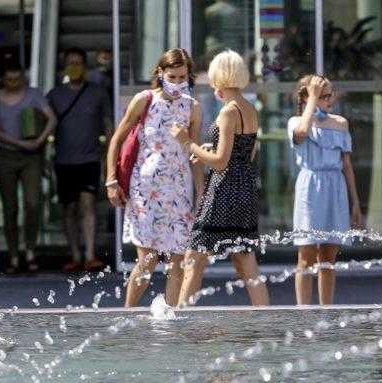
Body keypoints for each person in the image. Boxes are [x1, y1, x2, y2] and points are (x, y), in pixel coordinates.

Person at [170, 49, 269, 307]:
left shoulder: (228, 112)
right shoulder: (250, 109)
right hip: (245, 189)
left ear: (220, 80)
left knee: (195, 257)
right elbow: (242, 153)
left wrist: (188, 144)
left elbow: (222, 162)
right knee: (245, 259)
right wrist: (207, 151)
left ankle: (181, 318)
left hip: (223, 190)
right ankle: (266, 316)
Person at [106, 48, 202, 307]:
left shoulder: (192, 107)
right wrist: (111, 179)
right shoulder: (144, 99)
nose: (178, 83)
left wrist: (202, 193)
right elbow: (118, 138)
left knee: (178, 260)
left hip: (179, 191)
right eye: (172, 76)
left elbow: (194, 154)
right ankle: (128, 312)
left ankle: (170, 319)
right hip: (145, 189)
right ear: (160, 73)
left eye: (183, 77)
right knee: (147, 259)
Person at [288, 75, 362, 305]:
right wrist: (311, 99)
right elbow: (301, 133)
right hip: (310, 187)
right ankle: (303, 314)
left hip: (335, 186)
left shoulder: (340, 123)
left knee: (328, 257)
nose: (330, 99)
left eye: (331, 94)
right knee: (306, 255)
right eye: (323, 95)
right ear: (308, 97)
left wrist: (355, 202)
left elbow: (347, 165)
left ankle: (326, 311)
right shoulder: (296, 122)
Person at [48, 47, 114, 273]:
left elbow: (108, 125)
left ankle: (90, 255)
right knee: (69, 208)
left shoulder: (97, 93)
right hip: (63, 160)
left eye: (78, 63)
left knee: (88, 204)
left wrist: (109, 155)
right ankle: (75, 255)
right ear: (64, 67)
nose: (74, 67)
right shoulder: (54, 95)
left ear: (85, 66)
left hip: (90, 158)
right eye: (70, 63)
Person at [0, 65, 57, 274]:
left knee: (33, 203)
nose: (14, 83)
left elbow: (52, 118)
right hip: (6, 155)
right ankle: (13, 255)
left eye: (17, 79)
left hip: (31, 156)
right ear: (3, 79)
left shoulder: (33, 94)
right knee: (10, 208)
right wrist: (21, 144)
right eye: (9, 79)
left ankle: (29, 249)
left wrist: (39, 140)